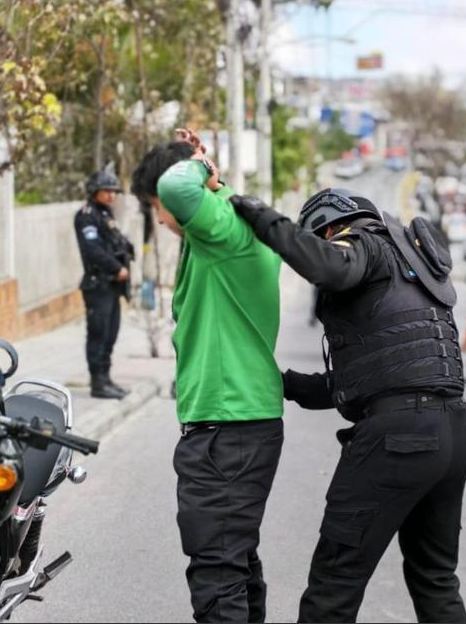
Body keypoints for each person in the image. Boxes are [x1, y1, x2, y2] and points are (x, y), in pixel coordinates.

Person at [231, 188, 466, 623]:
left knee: (335, 583)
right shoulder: (411, 264)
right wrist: (281, 383)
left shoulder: (362, 244)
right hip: (453, 434)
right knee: (435, 580)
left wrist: (255, 212)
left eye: (319, 238)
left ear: (329, 227)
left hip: (398, 441)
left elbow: (329, 266)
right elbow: (369, 378)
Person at [131, 129, 284, 624]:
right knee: (234, 564)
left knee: (217, 574)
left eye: (155, 204)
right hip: (234, 424)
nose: (159, 215)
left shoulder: (223, 229)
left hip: (228, 427)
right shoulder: (222, 229)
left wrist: (199, 165)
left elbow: (179, 189)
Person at [74, 170, 134, 400]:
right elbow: (93, 250)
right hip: (97, 284)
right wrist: (116, 268)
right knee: (98, 333)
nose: (111, 195)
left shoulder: (105, 213)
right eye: (106, 191)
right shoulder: (86, 215)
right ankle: (97, 382)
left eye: (113, 191)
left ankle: (107, 378)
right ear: (94, 191)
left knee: (111, 333)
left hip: (111, 286)